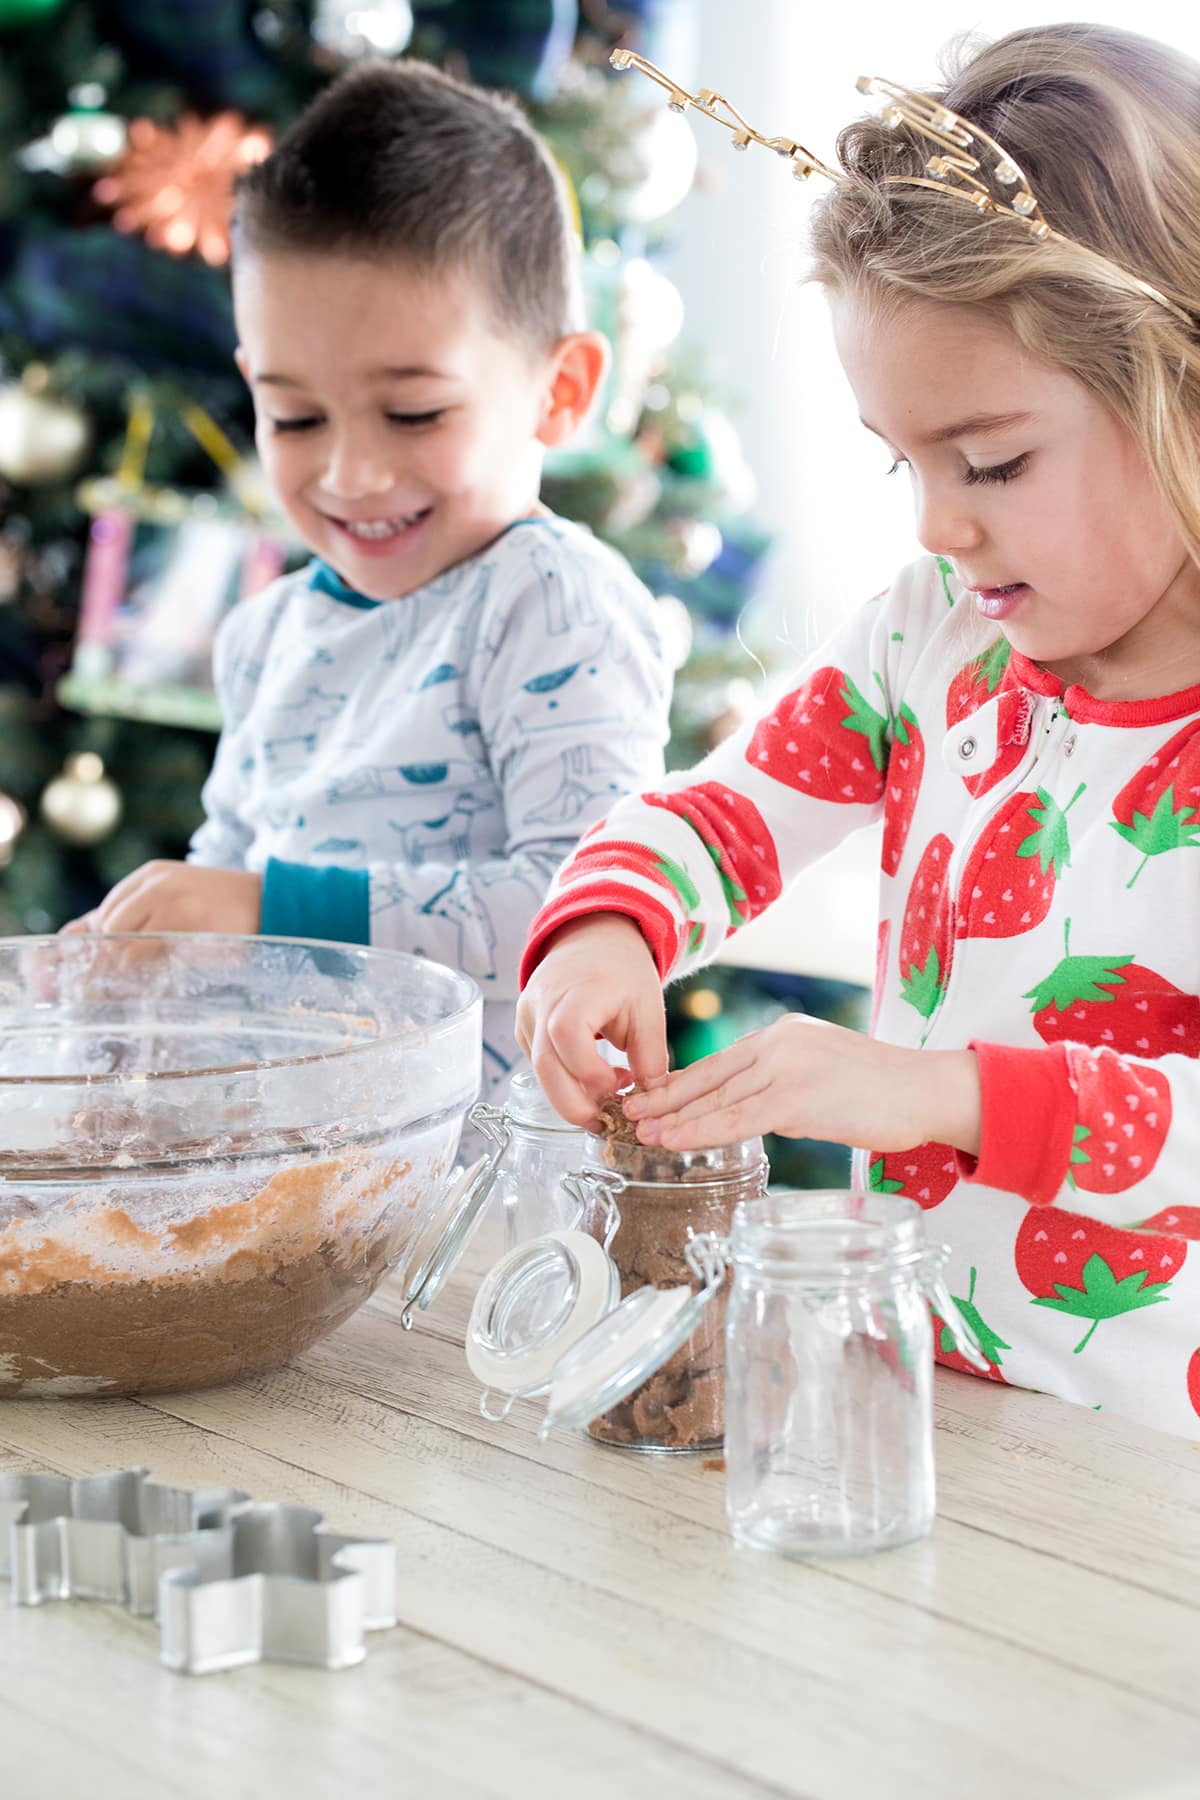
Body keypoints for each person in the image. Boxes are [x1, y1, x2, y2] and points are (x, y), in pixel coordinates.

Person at [516, 23, 1200, 1438]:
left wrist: (930, 1095)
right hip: (931, 1409)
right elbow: (724, 818)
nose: (939, 525)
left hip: (1159, 1473)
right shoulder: (927, 635)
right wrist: (609, 935)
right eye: (905, 461)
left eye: (994, 462)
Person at [67, 58, 670, 1090]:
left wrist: (267, 910)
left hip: (488, 1210)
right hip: (298, 1180)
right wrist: (148, 953)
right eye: (296, 417)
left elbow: (590, 906)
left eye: (415, 412)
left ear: (559, 391)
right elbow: (227, 874)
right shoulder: (266, 636)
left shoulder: (549, 603)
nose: (350, 473)